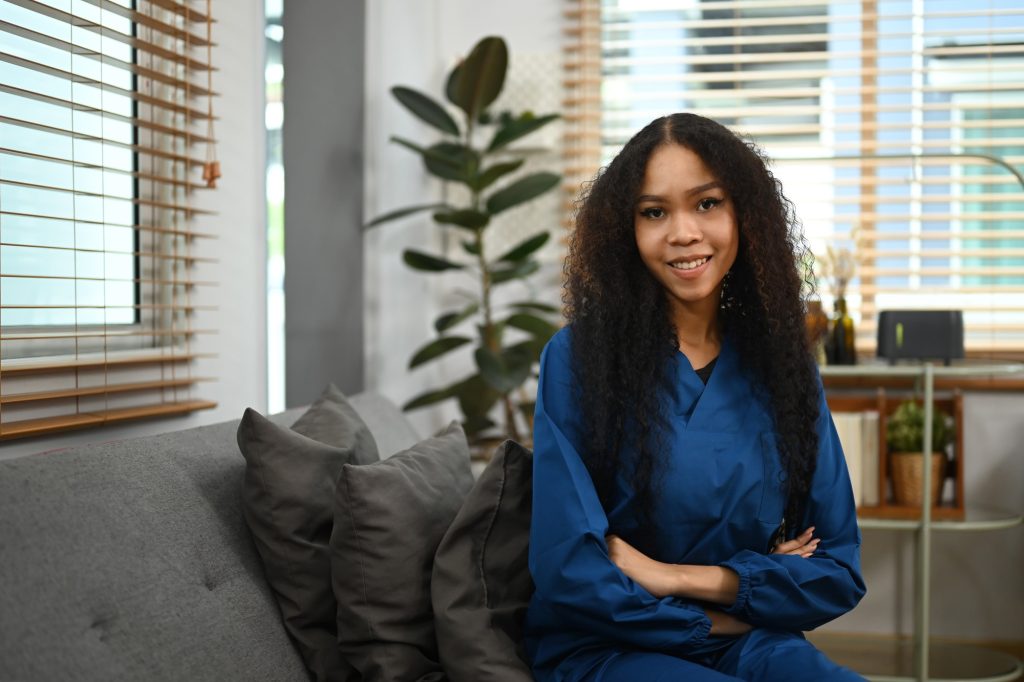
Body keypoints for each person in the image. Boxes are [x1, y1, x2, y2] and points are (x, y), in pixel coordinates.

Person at [524, 113, 866, 681]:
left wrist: (675, 577)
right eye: (654, 212)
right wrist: (732, 609)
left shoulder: (783, 366)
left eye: (706, 203)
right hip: (610, 647)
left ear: (745, 215)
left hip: (750, 646)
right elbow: (572, 569)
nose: (683, 232)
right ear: (625, 232)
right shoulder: (577, 358)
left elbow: (836, 570)